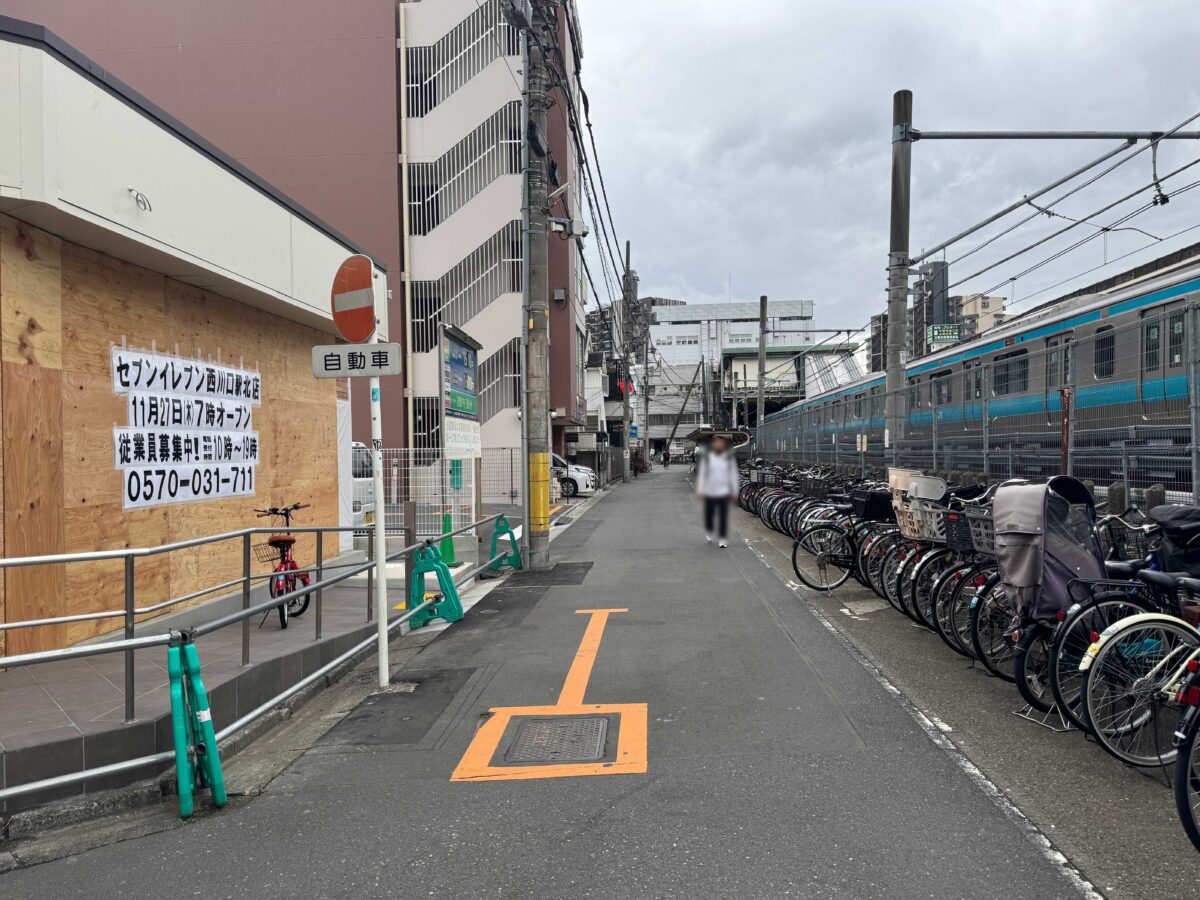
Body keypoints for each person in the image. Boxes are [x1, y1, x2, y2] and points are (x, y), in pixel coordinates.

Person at [695, 437, 738, 548]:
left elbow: (733, 475)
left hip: (724, 492)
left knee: (723, 516)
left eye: (720, 444)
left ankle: (722, 539)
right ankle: (709, 530)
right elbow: (702, 475)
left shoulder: (728, 459)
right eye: (716, 444)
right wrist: (700, 490)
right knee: (709, 515)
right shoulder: (707, 458)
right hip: (710, 492)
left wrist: (734, 492)